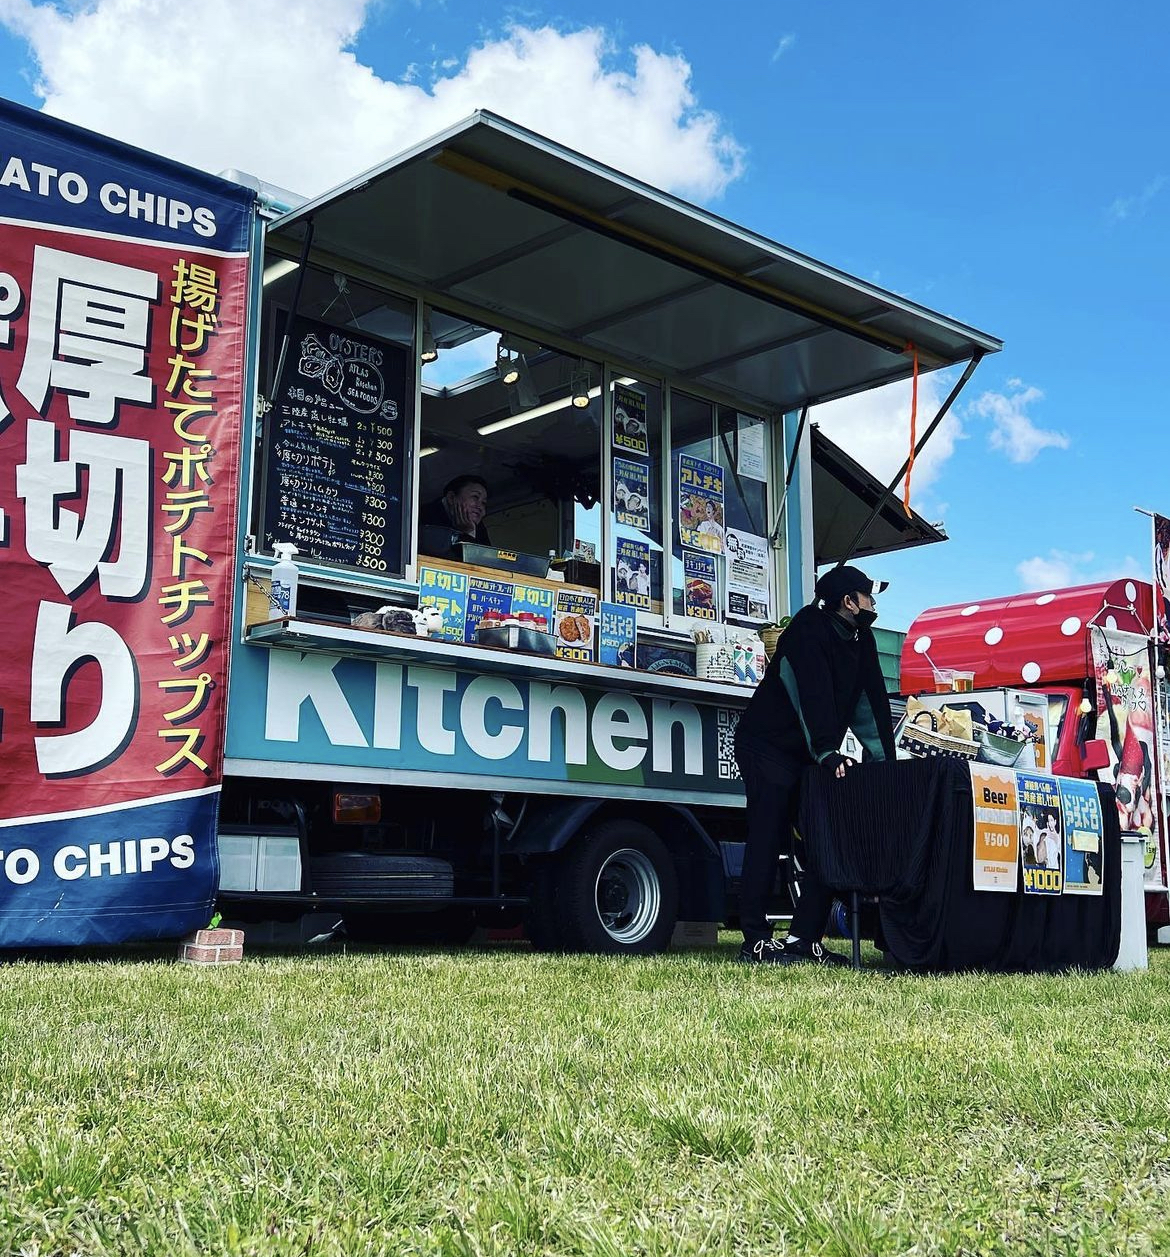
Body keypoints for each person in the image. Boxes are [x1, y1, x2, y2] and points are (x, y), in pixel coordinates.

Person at [733, 564, 895, 964]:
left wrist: (885, 763)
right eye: (868, 596)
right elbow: (809, 694)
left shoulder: (863, 639)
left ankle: (804, 939)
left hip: (810, 753)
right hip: (767, 746)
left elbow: (870, 703)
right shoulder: (807, 627)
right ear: (849, 601)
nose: (873, 603)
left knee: (828, 838)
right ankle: (754, 938)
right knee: (767, 836)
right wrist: (826, 751)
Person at [419, 474, 491, 546]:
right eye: (475, 497)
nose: (480, 507)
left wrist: (469, 532)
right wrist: (465, 534)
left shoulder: (477, 526)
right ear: (451, 498)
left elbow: (484, 555)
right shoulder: (423, 516)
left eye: (483, 503)